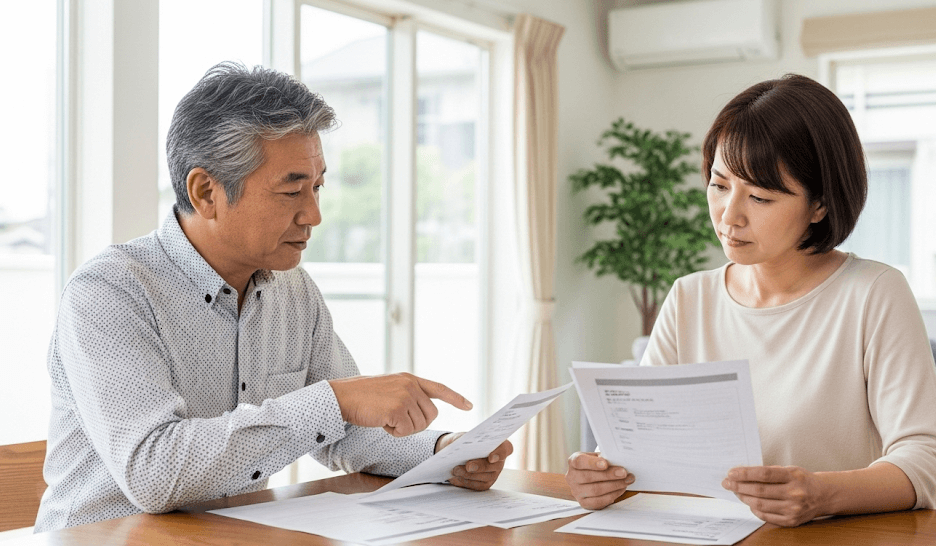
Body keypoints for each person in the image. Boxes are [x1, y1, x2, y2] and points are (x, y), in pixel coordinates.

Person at [35, 63, 512, 533]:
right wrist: (335, 398)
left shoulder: (293, 291)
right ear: (206, 192)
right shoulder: (109, 293)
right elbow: (155, 473)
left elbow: (344, 430)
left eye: (319, 186)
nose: (314, 215)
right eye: (292, 191)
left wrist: (444, 453)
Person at [565, 74, 936, 527]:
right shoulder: (689, 297)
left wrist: (822, 495)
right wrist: (603, 474)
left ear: (819, 205)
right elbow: (641, 447)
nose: (729, 216)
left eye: (759, 196)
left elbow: (924, 460)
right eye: (720, 186)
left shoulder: (874, 293)